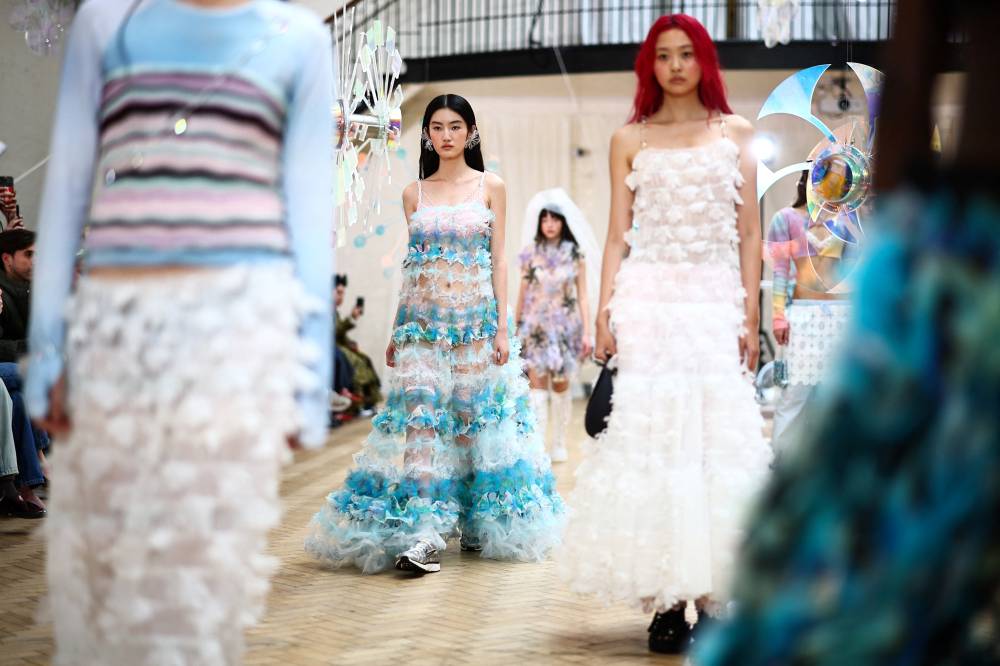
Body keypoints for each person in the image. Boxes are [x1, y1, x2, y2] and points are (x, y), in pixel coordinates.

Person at [24, 0, 334, 662]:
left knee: (204, 561)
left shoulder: (300, 38)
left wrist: (307, 380)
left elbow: (306, 211)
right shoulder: (107, 21)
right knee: (105, 560)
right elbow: (70, 185)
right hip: (116, 323)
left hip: (239, 333)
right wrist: (48, 352)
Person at [695, 2, 1000, 663]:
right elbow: (792, 276)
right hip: (831, 314)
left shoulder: (875, 227)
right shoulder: (806, 225)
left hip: (879, 302)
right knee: (822, 412)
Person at [556, 14, 772, 654]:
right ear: (649, 66)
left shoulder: (735, 132)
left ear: (705, 60)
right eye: (664, 55)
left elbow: (751, 233)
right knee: (653, 443)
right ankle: (667, 603)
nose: (676, 65)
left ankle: (713, 592)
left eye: (687, 53)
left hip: (712, 302)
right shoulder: (630, 138)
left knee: (712, 443)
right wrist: (603, 311)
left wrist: (750, 315)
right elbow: (619, 233)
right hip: (648, 300)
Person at [306, 94, 564, 575]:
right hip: (422, 325)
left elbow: (499, 258)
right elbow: (413, 268)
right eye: (437, 127)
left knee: (470, 422)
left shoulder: (491, 186)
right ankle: (423, 533)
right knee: (422, 424)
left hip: (475, 324)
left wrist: (502, 329)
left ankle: (468, 519)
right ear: (426, 135)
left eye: (455, 127)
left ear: (471, 133)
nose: (445, 136)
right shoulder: (414, 193)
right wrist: (394, 331)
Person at [767, 171, 853, 454]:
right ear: (811, 177)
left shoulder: (853, 221)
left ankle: (833, 467)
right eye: (829, 173)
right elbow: (780, 271)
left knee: (840, 399)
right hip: (803, 314)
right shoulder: (786, 218)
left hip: (844, 313)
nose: (835, 182)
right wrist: (779, 314)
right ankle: (783, 465)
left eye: (843, 177)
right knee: (795, 395)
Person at [515, 189, 596, 462]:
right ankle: (538, 446)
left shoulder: (575, 256)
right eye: (544, 219)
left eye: (554, 219)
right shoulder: (529, 254)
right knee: (536, 390)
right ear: (539, 223)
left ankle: (559, 443)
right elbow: (522, 292)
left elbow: (582, 296)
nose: (549, 224)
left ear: (563, 222)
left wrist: (587, 331)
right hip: (535, 328)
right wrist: (515, 327)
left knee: (560, 387)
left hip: (564, 329)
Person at [334, 273, 382, 414]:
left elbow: (339, 334)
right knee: (357, 364)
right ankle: (358, 406)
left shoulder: (333, 312)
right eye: (338, 293)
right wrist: (350, 319)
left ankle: (369, 402)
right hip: (333, 349)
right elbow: (334, 333)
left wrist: (350, 342)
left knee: (364, 360)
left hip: (339, 346)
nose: (341, 297)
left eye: (342, 293)